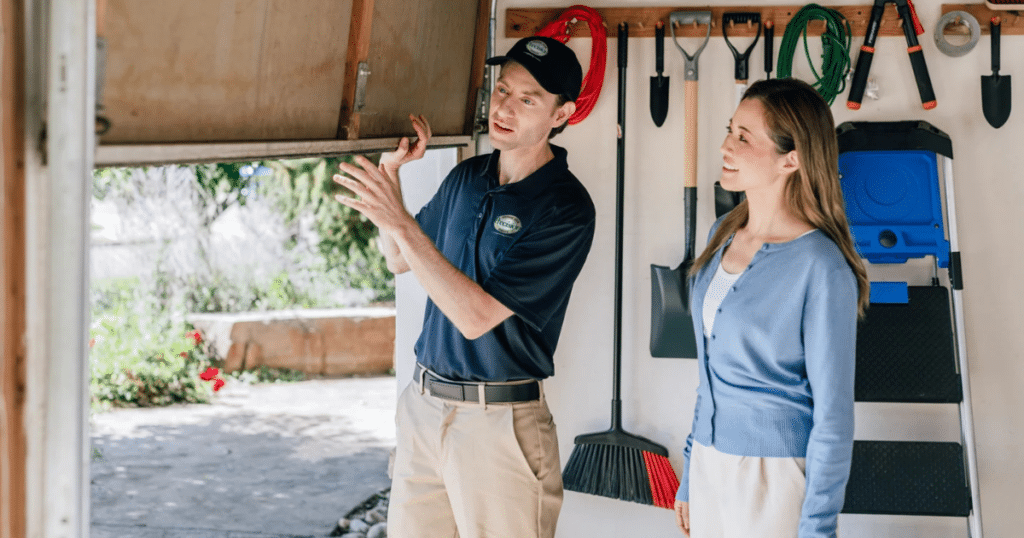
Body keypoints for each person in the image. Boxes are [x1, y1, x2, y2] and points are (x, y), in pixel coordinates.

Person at [333, 36, 595, 538]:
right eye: (503, 90)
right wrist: (391, 175)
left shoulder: (566, 208)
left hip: (497, 424)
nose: (504, 107)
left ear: (561, 116)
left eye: (528, 100)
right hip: (424, 406)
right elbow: (397, 259)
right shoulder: (467, 177)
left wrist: (400, 220)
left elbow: (475, 317)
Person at [673, 78, 870, 538]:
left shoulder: (822, 267)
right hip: (709, 462)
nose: (725, 145)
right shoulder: (721, 232)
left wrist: (818, 527)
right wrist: (689, 471)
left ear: (792, 158)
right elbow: (708, 373)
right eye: (729, 130)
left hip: (774, 479)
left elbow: (834, 414)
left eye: (744, 137)